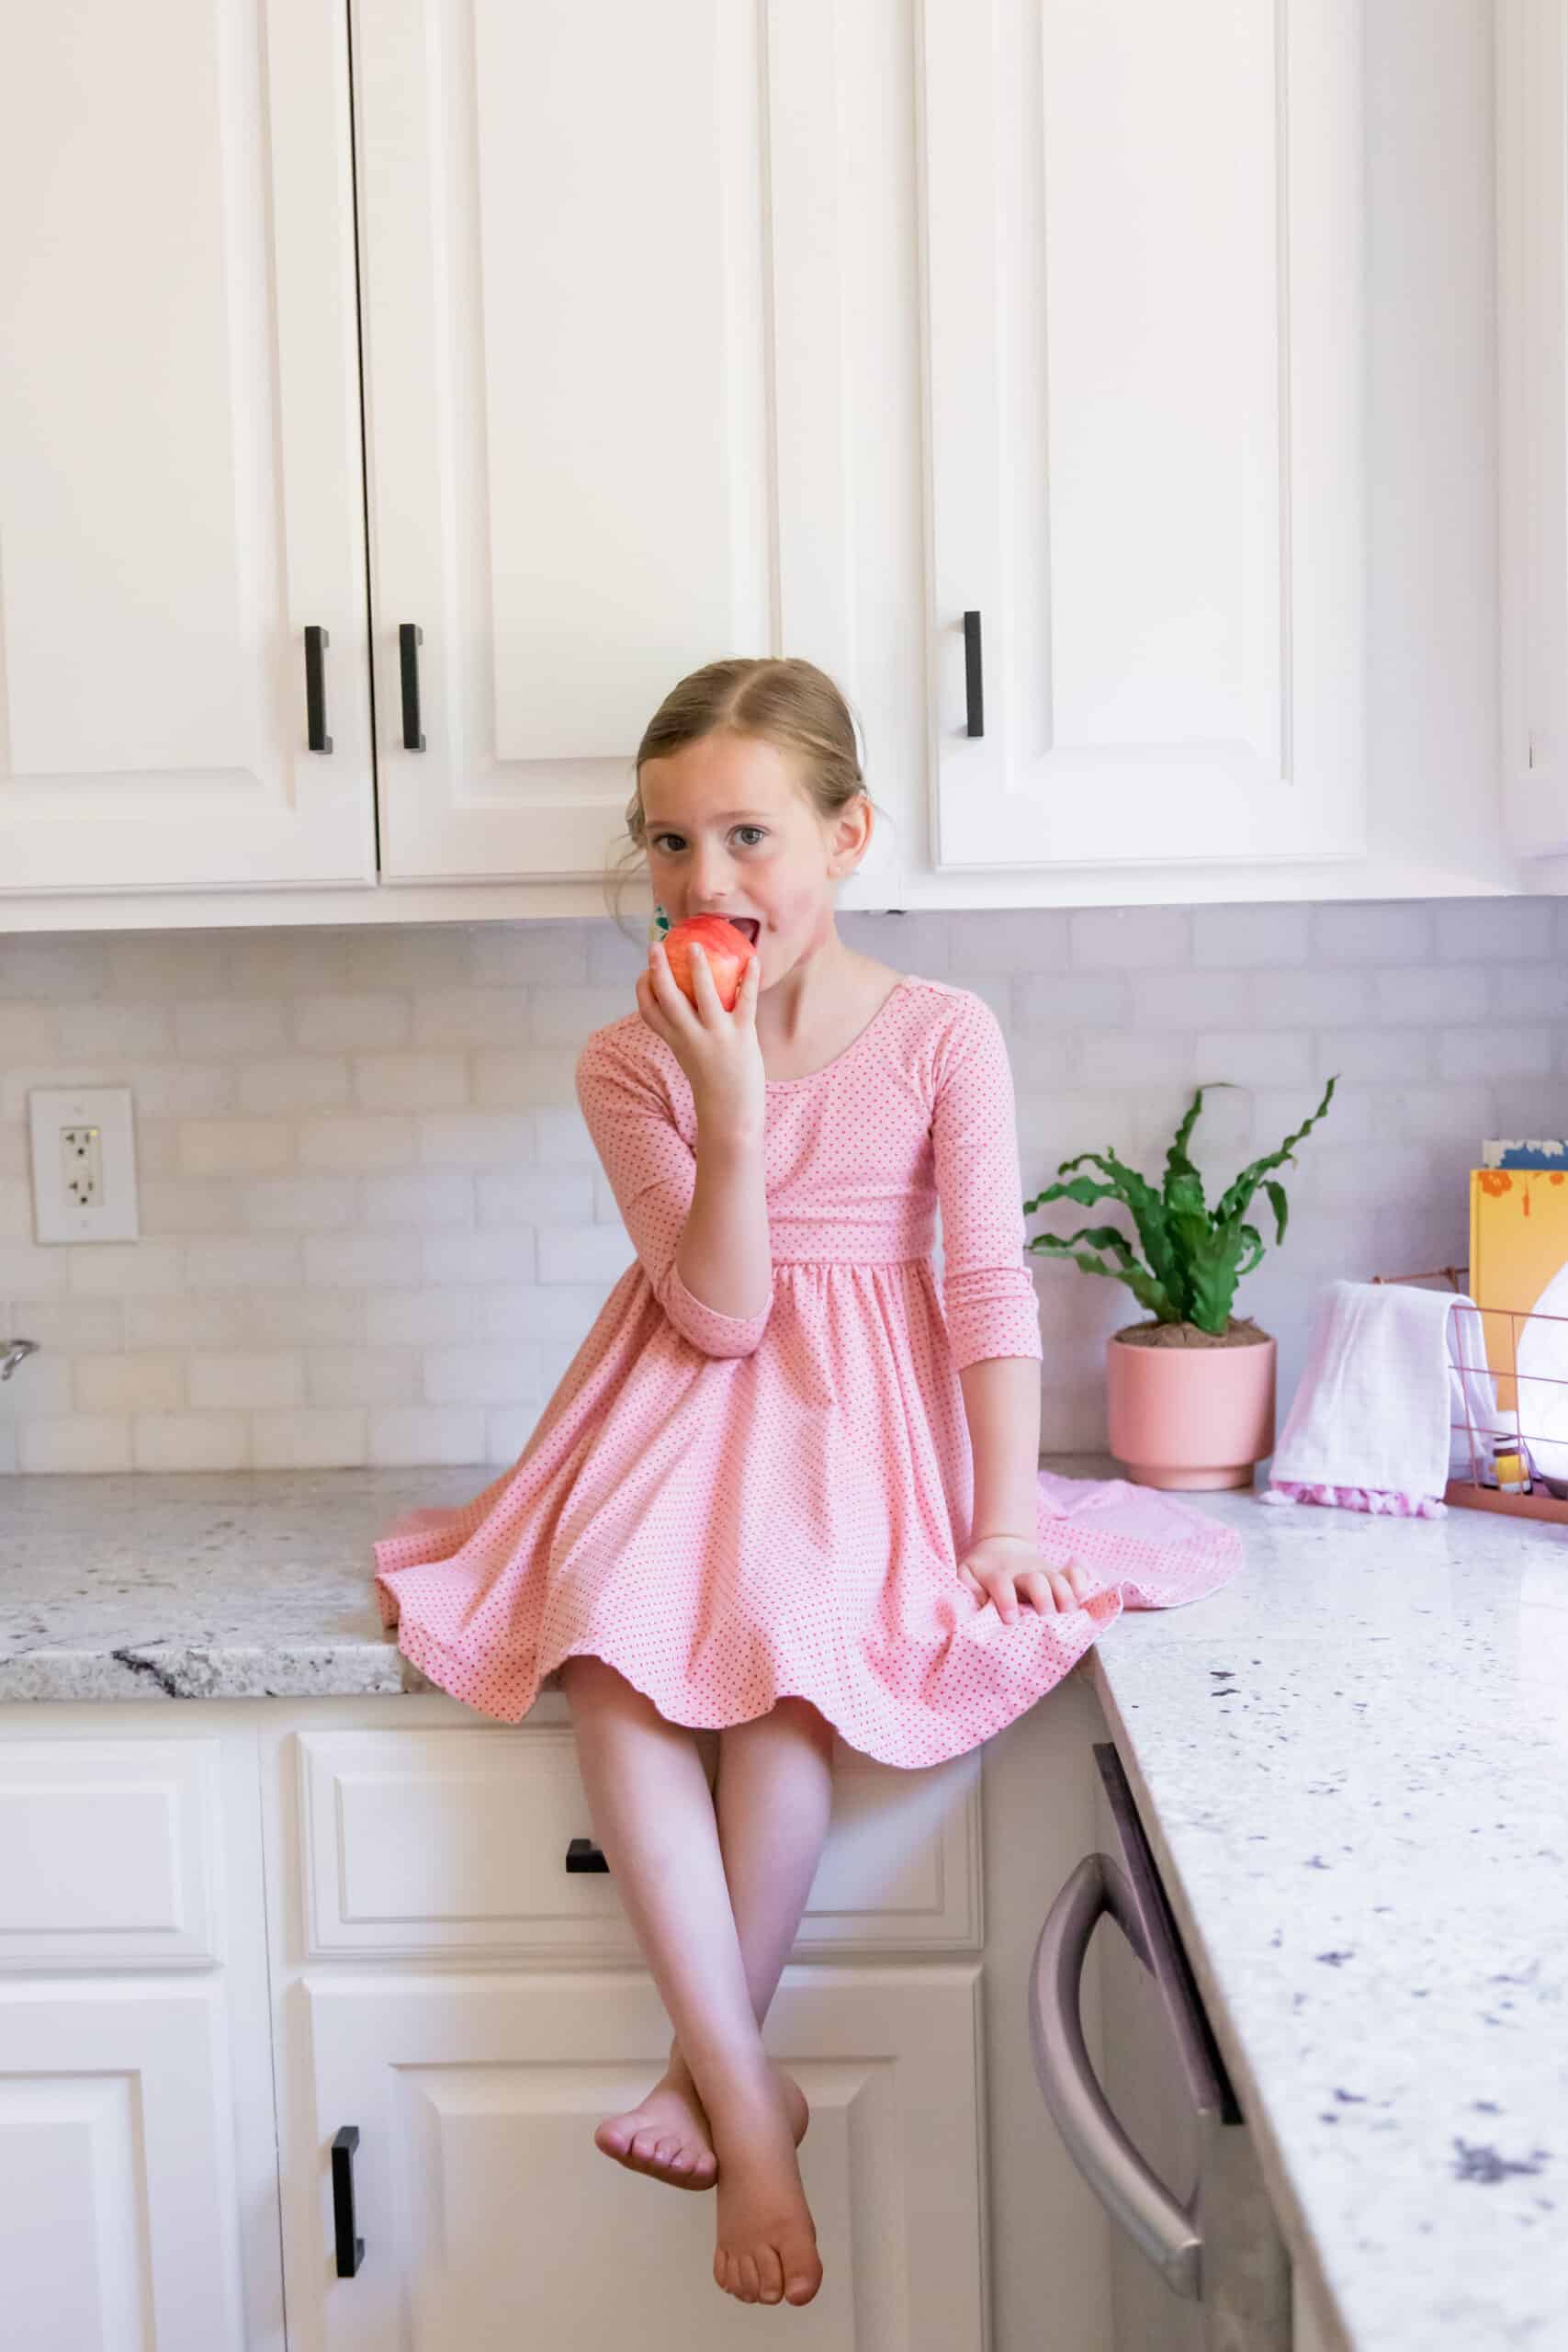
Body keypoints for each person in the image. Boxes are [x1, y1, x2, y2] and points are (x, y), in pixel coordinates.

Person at [372, 656, 1240, 2312]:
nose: (707, 883)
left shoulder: (938, 1036)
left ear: (847, 837)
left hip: (867, 1422)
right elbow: (714, 1314)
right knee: (616, 1658)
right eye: (670, 845)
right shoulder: (629, 1063)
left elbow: (987, 1287)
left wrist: (999, 1518)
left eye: (750, 836)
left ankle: (717, 2091)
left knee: (783, 1673)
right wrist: (727, 1102)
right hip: (681, 1400)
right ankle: (744, 2097)